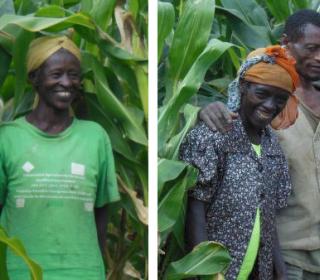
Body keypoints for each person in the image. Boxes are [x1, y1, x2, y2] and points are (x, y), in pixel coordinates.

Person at [198, 9, 320, 280]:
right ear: (286, 44)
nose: (319, 57)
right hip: (286, 256)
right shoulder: (263, 105)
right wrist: (199, 111)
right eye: (312, 48)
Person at [0, 36, 120, 280]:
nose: (66, 82)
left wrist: (98, 266)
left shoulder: (95, 137)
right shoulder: (7, 139)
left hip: (83, 272)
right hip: (18, 271)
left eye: (73, 75)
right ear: (34, 78)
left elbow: (100, 213)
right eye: (56, 74)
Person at [180, 45, 299, 280]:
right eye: (262, 94)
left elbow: (267, 217)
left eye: (280, 99)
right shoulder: (213, 135)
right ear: (243, 87)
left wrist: (280, 270)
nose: (270, 105)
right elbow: (195, 208)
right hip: (217, 272)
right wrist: (204, 269)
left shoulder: (273, 146)